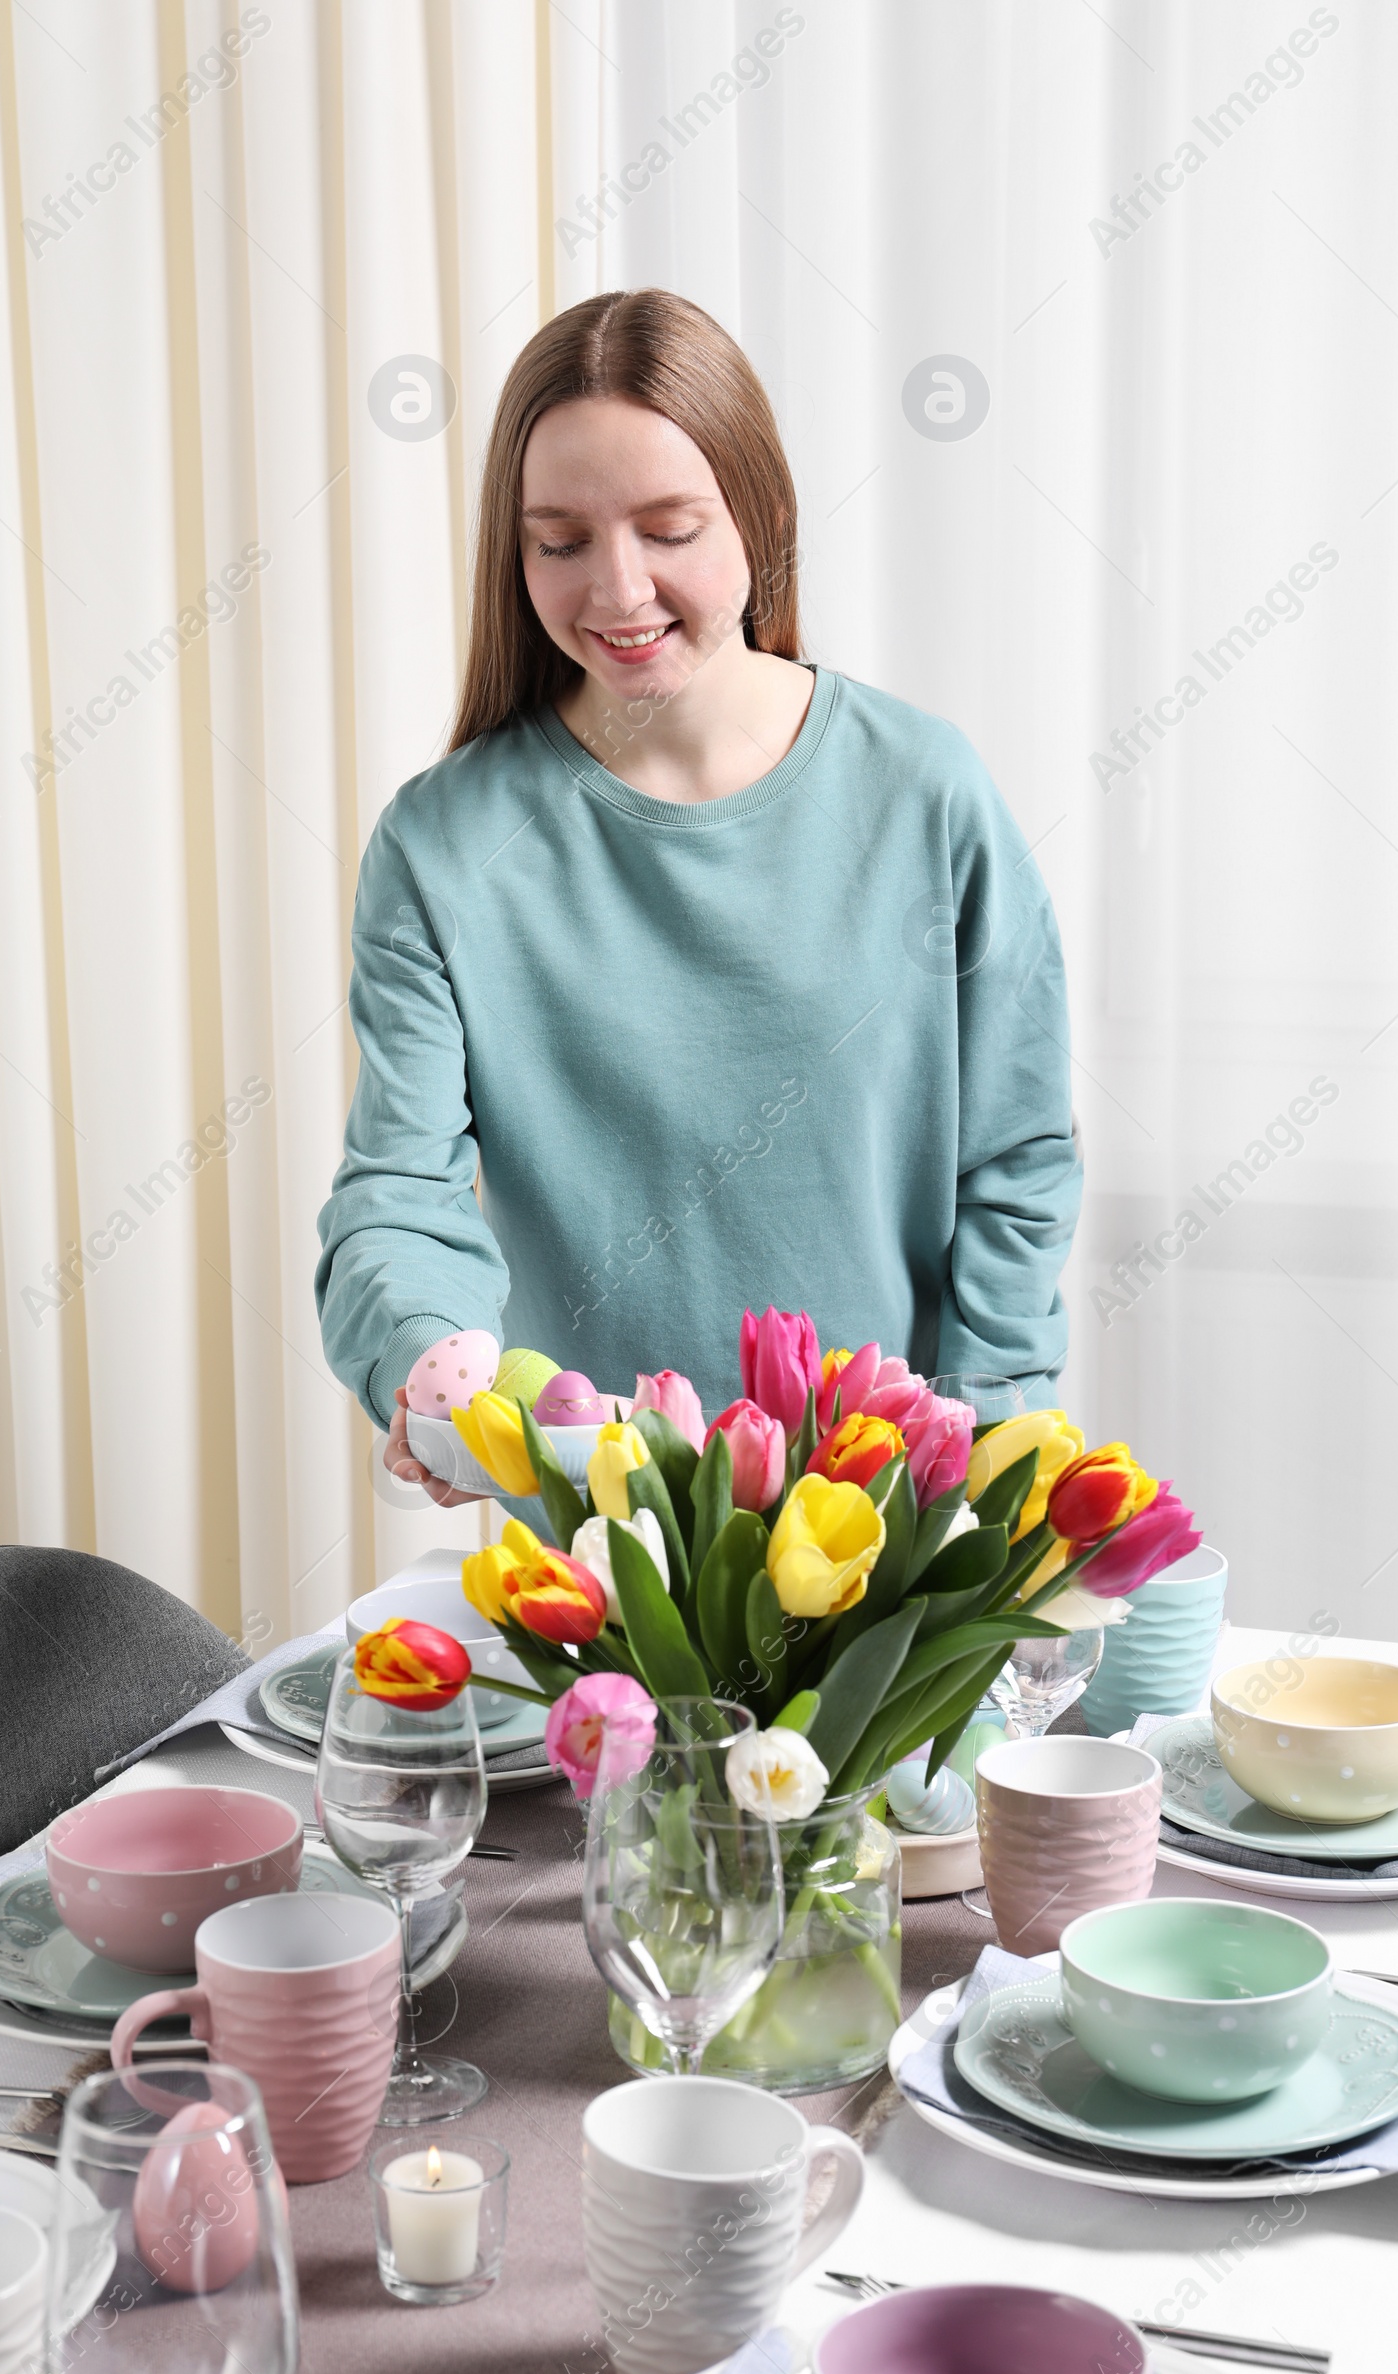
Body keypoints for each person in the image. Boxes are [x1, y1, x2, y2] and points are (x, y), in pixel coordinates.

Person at [315, 288, 1082, 1504]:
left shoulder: (924, 792)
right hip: (595, 1545)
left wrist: (983, 1463)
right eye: (559, 543)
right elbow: (398, 1191)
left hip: (890, 1530)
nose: (617, 592)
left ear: (759, 517)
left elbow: (1016, 1160)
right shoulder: (442, 844)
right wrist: (420, 1360)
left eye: (668, 527)